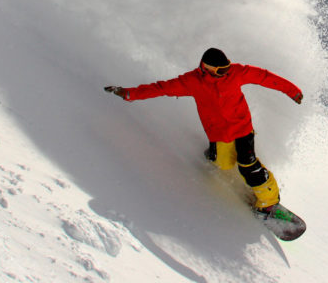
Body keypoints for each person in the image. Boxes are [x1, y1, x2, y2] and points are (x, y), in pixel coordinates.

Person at [104, 47, 303, 213]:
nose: (225, 72)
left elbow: (264, 77)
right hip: (218, 133)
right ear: (206, 68)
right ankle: (214, 155)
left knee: (247, 164)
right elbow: (160, 88)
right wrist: (129, 93)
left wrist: (292, 91)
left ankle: (268, 201)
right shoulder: (192, 82)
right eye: (220, 70)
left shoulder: (236, 72)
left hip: (242, 127)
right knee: (224, 165)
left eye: (226, 68)